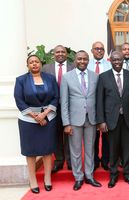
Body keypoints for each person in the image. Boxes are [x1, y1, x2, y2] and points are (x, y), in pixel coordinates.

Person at [14, 55, 59, 194]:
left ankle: (47, 179)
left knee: (47, 150)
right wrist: (36, 116)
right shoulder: (21, 80)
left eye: (36, 62)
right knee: (30, 151)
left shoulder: (50, 78)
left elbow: (56, 97)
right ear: (27, 65)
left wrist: (44, 115)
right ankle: (33, 180)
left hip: (48, 118)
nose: (34, 64)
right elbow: (19, 99)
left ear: (41, 63)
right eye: (31, 62)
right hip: (28, 120)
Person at [60, 50, 101, 191]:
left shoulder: (95, 76)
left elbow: (98, 99)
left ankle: (89, 175)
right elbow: (64, 102)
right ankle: (78, 177)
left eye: (85, 59)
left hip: (91, 119)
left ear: (88, 60)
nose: (82, 61)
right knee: (76, 151)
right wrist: (66, 123)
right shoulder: (67, 77)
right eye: (79, 59)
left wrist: (99, 119)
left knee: (90, 149)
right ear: (75, 60)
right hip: (74, 120)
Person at [97, 51, 129, 188]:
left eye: (119, 59)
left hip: (128, 118)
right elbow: (100, 100)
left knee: (127, 149)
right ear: (110, 61)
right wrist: (101, 121)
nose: (117, 62)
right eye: (114, 60)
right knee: (113, 149)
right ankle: (113, 175)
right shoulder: (103, 77)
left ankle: (128, 174)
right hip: (111, 119)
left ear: (123, 60)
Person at [43, 45, 74, 173]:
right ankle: (59, 160)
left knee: (70, 134)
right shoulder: (45, 68)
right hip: (52, 107)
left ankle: (71, 161)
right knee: (56, 134)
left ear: (67, 54)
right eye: (58, 52)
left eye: (63, 52)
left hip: (70, 106)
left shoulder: (73, 67)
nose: (60, 54)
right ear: (53, 54)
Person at [87, 41, 111, 171]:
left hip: (106, 104)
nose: (99, 51)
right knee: (93, 136)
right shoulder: (86, 64)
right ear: (92, 51)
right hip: (90, 104)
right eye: (96, 49)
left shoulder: (109, 65)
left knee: (106, 134)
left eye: (102, 49)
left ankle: (106, 160)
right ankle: (94, 160)